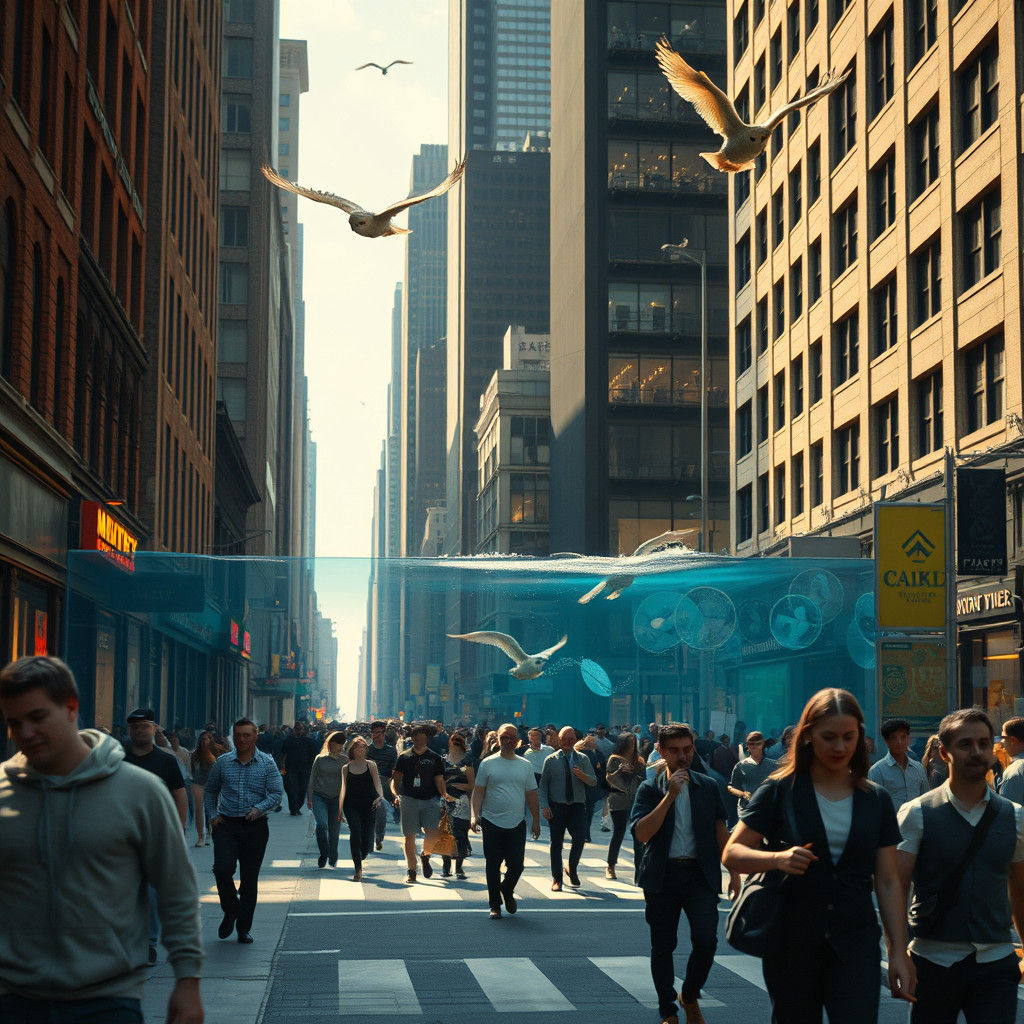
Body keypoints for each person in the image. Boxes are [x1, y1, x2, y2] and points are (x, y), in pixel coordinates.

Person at [0, 656, 203, 1024]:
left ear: (71, 708)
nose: (25, 733)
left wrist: (187, 981)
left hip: (107, 998)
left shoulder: (138, 790)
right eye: (14, 722)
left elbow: (176, 890)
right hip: (14, 1000)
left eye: (37, 717)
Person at [723, 688, 913, 1024]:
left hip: (856, 940)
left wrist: (898, 950)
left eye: (848, 737)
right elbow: (732, 852)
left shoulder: (875, 799)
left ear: (861, 737)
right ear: (808, 736)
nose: (840, 747)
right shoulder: (781, 789)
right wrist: (777, 859)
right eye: (829, 737)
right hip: (792, 939)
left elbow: (887, 879)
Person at [895, 707, 1024, 1023]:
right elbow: (894, 889)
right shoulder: (915, 814)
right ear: (944, 752)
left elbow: (1021, 890)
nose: (977, 752)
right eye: (965, 744)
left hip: (996, 962)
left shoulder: (1015, 816)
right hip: (932, 961)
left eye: (983, 743)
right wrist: (898, 953)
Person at [630, 723, 740, 1024]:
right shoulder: (650, 788)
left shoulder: (708, 786)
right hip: (662, 876)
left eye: (688, 749)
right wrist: (670, 795)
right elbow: (641, 834)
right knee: (663, 945)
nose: (683, 756)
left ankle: (689, 994)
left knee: (706, 941)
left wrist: (734, 872)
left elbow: (721, 832)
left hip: (699, 875)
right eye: (675, 751)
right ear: (662, 752)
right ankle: (668, 1008)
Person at [204, 717, 284, 944]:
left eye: (247, 735)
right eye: (238, 735)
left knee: (249, 879)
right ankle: (230, 909)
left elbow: (276, 794)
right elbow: (210, 792)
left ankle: (243, 928)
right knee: (222, 869)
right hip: (226, 825)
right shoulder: (223, 762)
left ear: (255, 736)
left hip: (254, 827)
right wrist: (213, 815)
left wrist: (258, 809)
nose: (242, 739)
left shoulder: (267, 763)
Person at [124, 707, 188, 965]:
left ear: (154, 728)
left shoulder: (166, 761)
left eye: (145, 726)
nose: (140, 730)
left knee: (150, 891)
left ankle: (148, 942)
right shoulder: (118, 759)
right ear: (130, 730)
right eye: (135, 726)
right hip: (123, 833)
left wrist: (180, 830)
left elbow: (179, 794)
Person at [470, 723, 541, 918]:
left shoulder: (525, 765)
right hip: (491, 821)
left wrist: (536, 820)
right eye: (504, 737)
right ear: (498, 739)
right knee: (492, 864)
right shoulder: (488, 763)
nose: (507, 741)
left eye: (511, 737)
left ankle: (507, 890)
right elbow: (478, 792)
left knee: (517, 865)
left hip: (517, 822)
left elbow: (532, 794)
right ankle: (495, 905)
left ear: (517, 740)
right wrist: (474, 815)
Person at [538, 726, 595, 891]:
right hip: (557, 807)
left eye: (571, 738)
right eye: (564, 739)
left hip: (577, 806)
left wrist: (582, 776)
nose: (567, 742)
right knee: (556, 843)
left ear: (575, 740)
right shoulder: (550, 760)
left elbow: (593, 781)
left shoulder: (583, 759)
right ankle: (557, 878)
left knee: (579, 839)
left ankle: (572, 868)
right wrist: (545, 806)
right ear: (559, 740)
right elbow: (543, 787)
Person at [392, 722, 449, 883]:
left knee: (432, 833)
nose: (417, 739)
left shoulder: (435, 758)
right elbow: (395, 779)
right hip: (408, 800)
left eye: (421, 736)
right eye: (415, 736)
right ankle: (412, 870)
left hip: (430, 800)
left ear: (427, 738)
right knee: (409, 836)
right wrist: (395, 794)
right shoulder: (404, 757)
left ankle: (425, 856)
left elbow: (439, 780)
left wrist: (445, 796)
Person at [340, 736, 386, 880]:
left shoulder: (371, 765)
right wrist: (339, 809)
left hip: (369, 804)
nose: (360, 749)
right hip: (350, 804)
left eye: (363, 747)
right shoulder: (346, 768)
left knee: (366, 838)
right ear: (352, 749)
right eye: (357, 747)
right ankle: (357, 869)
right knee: (356, 830)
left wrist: (380, 796)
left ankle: (363, 853)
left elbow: (377, 783)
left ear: (366, 749)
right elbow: (343, 788)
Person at [605, 730, 646, 879]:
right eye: (629, 743)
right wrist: (620, 771)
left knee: (638, 834)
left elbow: (643, 781)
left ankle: (640, 869)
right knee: (619, 831)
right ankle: (610, 865)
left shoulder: (639, 761)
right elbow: (610, 778)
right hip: (618, 799)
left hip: (635, 800)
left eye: (634, 743)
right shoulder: (615, 759)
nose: (632, 746)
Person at [307, 730, 349, 869]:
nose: (341, 746)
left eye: (342, 744)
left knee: (334, 831)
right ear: (331, 743)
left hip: (337, 799)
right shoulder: (320, 759)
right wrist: (309, 798)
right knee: (322, 825)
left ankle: (333, 854)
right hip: (320, 797)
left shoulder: (345, 760)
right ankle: (324, 853)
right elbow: (312, 779)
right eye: (338, 743)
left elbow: (348, 781)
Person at [868, 717, 929, 809]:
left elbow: (926, 800)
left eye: (903, 737)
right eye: (894, 738)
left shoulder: (919, 768)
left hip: (916, 822)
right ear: (886, 741)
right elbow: (875, 805)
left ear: (908, 738)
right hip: (892, 822)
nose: (899, 742)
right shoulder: (877, 771)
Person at [441, 732, 475, 878]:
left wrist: (457, 785)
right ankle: (446, 867)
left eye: (458, 741)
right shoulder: (443, 760)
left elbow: (472, 785)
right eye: (453, 740)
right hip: (445, 801)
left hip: (462, 803)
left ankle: (459, 868)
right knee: (445, 834)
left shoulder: (468, 761)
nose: (456, 743)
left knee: (460, 835)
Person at [365, 719, 399, 847]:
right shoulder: (366, 750)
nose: (376, 735)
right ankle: (368, 840)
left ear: (384, 734)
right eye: (374, 732)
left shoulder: (391, 751)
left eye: (379, 732)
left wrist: (394, 788)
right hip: (368, 785)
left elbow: (394, 771)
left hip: (385, 784)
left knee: (380, 814)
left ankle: (378, 837)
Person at [727, 731, 777, 812]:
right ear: (747, 745)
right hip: (746, 810)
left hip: (767, 810)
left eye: (758, 744)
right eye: (752, 744)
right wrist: (742, 794)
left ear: (763, 744)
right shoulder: (741, 766)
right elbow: (731, 787)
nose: (755, 747)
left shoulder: (773, 765)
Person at [191, 730, 226, 845]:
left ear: (210, 740)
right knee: (199, 810)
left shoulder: (218, 751)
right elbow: (193, 770)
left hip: (213, 784)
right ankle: (201, 836)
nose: (203, 742)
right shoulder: (195, 754)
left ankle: (213, 830)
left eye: (205, 739)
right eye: (201, 740)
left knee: (214, 808)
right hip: (199, 783)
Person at [282, 721, 315, 815]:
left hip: (304, 769)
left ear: (303, 730)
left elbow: (313, 755)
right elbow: (284, 754)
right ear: (294, 730)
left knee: (302, 789)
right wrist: (282, 766)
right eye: (297, 729)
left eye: (300, 729)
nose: (298, 731)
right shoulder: (288, 741)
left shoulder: (308, 741)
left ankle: (297, 807)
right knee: (291, 789)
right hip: (291, 768)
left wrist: (311, 766)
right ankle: (293, 808)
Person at [996, 715, 1024, 804]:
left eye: (1003, 738)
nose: (1001, 742)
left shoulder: (1016, 771)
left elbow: (1009, 812)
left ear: (1013, 740)